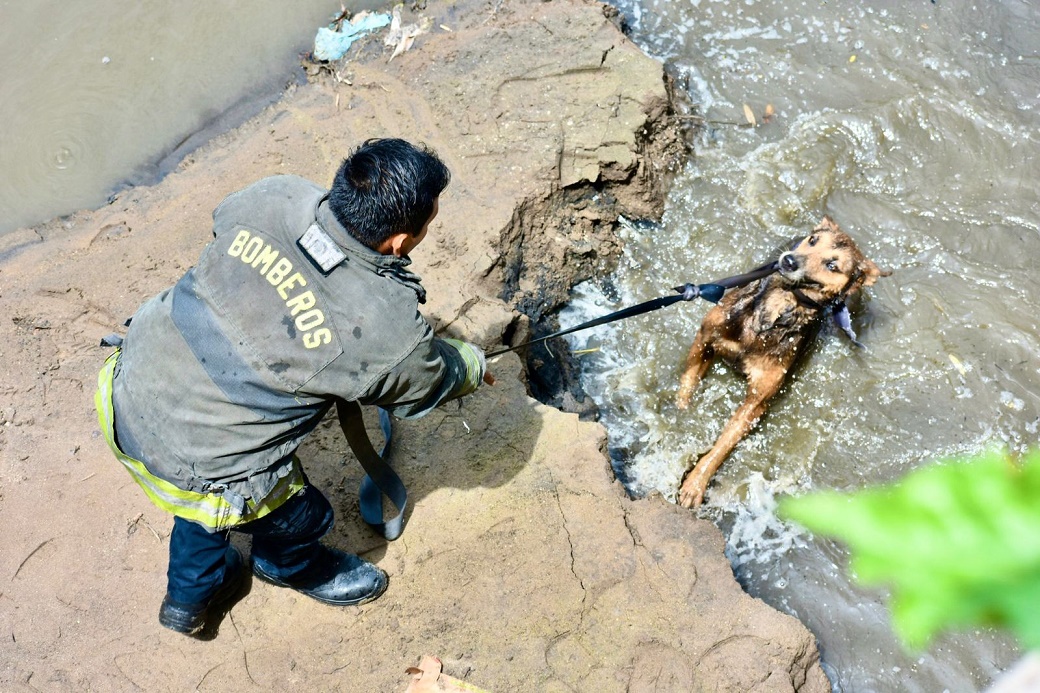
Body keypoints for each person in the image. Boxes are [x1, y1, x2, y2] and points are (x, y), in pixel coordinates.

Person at [95, 138, 492, 636]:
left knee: (196, 495)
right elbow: (427, 381)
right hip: (198, 456)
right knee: (300, 515)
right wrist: (472, 364)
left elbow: (223, 224)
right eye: (426, 224)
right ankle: (288, 566)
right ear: (399, 242)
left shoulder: (274, 196)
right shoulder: (385, 328)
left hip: (125, 387)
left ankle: (188, 599)